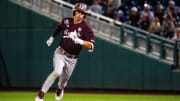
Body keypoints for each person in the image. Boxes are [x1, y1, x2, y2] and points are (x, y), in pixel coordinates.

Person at [35, 2, 95, 101]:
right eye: (78, 12)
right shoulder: (67, 21)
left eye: (82, 13)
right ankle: (41, 94)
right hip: (60, 52)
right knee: (57, 71)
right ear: (74, 12)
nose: (80, 14)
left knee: (63, 82)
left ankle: (60, 88)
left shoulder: (87, 29)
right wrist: (52, 37)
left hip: (72, 59)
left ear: (84, 15)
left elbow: (91, 47)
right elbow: (59, 27)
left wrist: (79, 41)